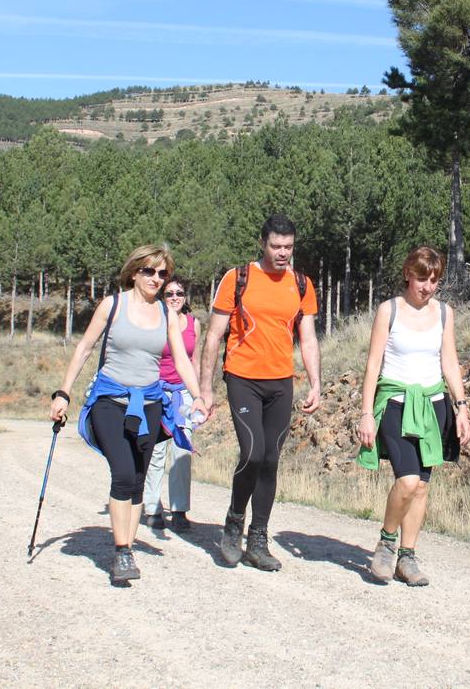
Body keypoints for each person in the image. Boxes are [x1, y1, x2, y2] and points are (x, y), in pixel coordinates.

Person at [49, 245, 211, 584]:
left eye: (163, 273)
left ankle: (127, 549)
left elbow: (181, 359)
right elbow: (84, 347)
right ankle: (121, 549)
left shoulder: (166, 314)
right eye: (150, 271)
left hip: (150, 403)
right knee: (123, 473)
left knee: (137, 479)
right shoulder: (113, 305)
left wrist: (197, 396)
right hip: (110, 399)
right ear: (135, 272)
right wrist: (64, 392)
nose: (156, 279)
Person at [199, 213, 320, 571]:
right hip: (242, 378)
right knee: (252, 453)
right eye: (276, 246)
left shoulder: (301, 283)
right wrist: (205, 389)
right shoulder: (238, 278)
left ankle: (258, 539)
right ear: (263, 243)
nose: (283, 253)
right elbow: (213, 336)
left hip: (281, 382)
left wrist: (315, 383)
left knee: (270, 460)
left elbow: (308, 337)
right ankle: (234, 523)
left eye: (289, 247)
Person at [356, 246, 470, 587]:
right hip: (396, 403)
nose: (428, 286)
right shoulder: (388, 311)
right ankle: (386, 543)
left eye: (434, 280)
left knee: (421, 486)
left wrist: (462, 407)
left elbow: (449, 363)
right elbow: (373, 365)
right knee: (406, 481)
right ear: (408, 274)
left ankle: (408, 557)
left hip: (434, 406)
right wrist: (366, 413)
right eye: (422, 278)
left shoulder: (445, 314)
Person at [145, 278, 201, 532]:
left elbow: (194, 361)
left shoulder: (193, 324)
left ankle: (179, 510)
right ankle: (153, 507)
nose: (175, 297)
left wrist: (199, 395)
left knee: (182, 452)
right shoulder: (154, 322)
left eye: (179, 293)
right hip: (157, 391)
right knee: (156, 452)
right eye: (169, 293)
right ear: (162, 296)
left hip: (183, 394)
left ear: (186, 296)